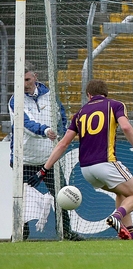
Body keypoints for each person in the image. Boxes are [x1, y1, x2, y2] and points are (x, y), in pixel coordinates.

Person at [27, 79, 133, 240]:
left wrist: (44, 170)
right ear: (106, 93)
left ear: (89, 95)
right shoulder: (115, 105)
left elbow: (63, 144)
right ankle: (116, 217)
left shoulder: (80, 113)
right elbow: (125, 127)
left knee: (122, 193)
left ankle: (131, 234)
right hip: (106, 163)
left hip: (86, 170)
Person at [10, 63, 80, 240]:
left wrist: (60, 134)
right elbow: (26, 125)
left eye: (27, 79)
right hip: (24, 159)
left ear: (35, 77)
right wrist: (46, 130)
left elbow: (61, 117)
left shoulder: (50, 96)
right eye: (21, 79)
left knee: (62, 195)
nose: (24, 84)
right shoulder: (15, 100)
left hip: (48, 159)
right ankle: (21, 233)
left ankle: (66, 231)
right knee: (22, 200)